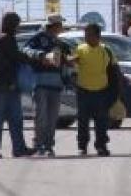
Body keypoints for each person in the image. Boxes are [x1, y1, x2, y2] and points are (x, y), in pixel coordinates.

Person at [0, 12, 35, 159]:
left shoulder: (3, 39)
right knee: (0, 119)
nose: (18, 28)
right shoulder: (6, 40)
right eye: (17, 24)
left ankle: (18, 148)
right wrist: (31, 59)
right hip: (2, 86)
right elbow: (15, 58)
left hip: (8, 85)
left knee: (14, 119)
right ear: (11, 24)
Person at [22, 14, 70, 157]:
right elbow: (25, 50)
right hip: (40, 84)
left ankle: (49, 145)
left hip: (56, 85)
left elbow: (67, 61)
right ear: (53, 25)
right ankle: (39, 145)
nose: (61, 27)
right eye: (60, 24)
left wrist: (68, 75)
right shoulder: (38, 39)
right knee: (41, 115)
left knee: (52, 117)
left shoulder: (61, 44)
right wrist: (41, 55)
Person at [70, 23, 115, 157]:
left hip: (101, 91)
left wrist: (118, 85)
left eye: (89, 34)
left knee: (101, 121)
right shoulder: (81, 48)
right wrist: (69, 60)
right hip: (83, 90)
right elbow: (73, 60)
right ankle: (82, 146)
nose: (86, 37)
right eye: (85, 34)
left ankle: (101, 146)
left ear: (97, 36)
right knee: (83, 121)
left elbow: (114, 68)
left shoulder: (106, 50)